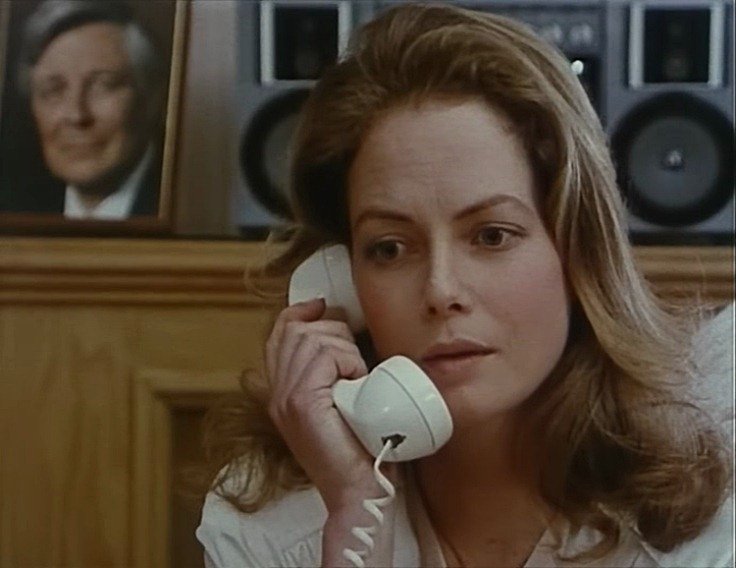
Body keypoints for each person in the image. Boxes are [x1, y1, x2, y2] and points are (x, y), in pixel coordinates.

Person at [196, 4, 734, 567]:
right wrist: (356, 512)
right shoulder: (264, 526)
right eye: (390, 248)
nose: (440, 290)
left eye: (491, 236)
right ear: (339, 281)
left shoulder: (708, 519)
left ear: (578, 253)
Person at [8, 0, 166, 219]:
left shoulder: (190, 207)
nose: (77, 115)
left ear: (152, 98)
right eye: (54, 90)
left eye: (104, 85)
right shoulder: (16, 209)